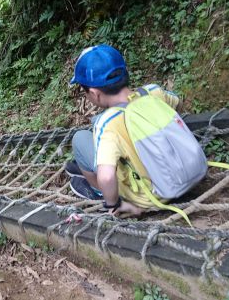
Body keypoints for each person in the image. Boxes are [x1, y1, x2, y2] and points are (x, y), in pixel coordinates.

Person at [67, 44, 196, 217]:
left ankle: (98, 192)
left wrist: (113, 205)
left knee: (80, 138)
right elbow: (177, 103)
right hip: (189, 174)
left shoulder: (107, 124)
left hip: (151, 197)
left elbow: (106, 177)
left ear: (94, 93)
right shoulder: (153, 92)